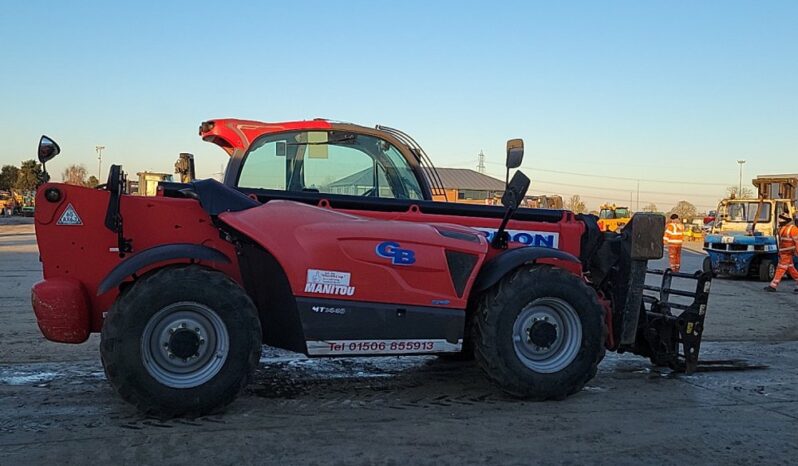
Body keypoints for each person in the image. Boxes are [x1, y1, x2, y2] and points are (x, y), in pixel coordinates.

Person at [764, 213, 798, 293]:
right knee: (791, 269)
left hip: (787, 252)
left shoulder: (793, 229)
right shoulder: (784, 229)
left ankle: (773, 285)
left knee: (781, 268)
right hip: (784, 252)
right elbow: (781, 242)